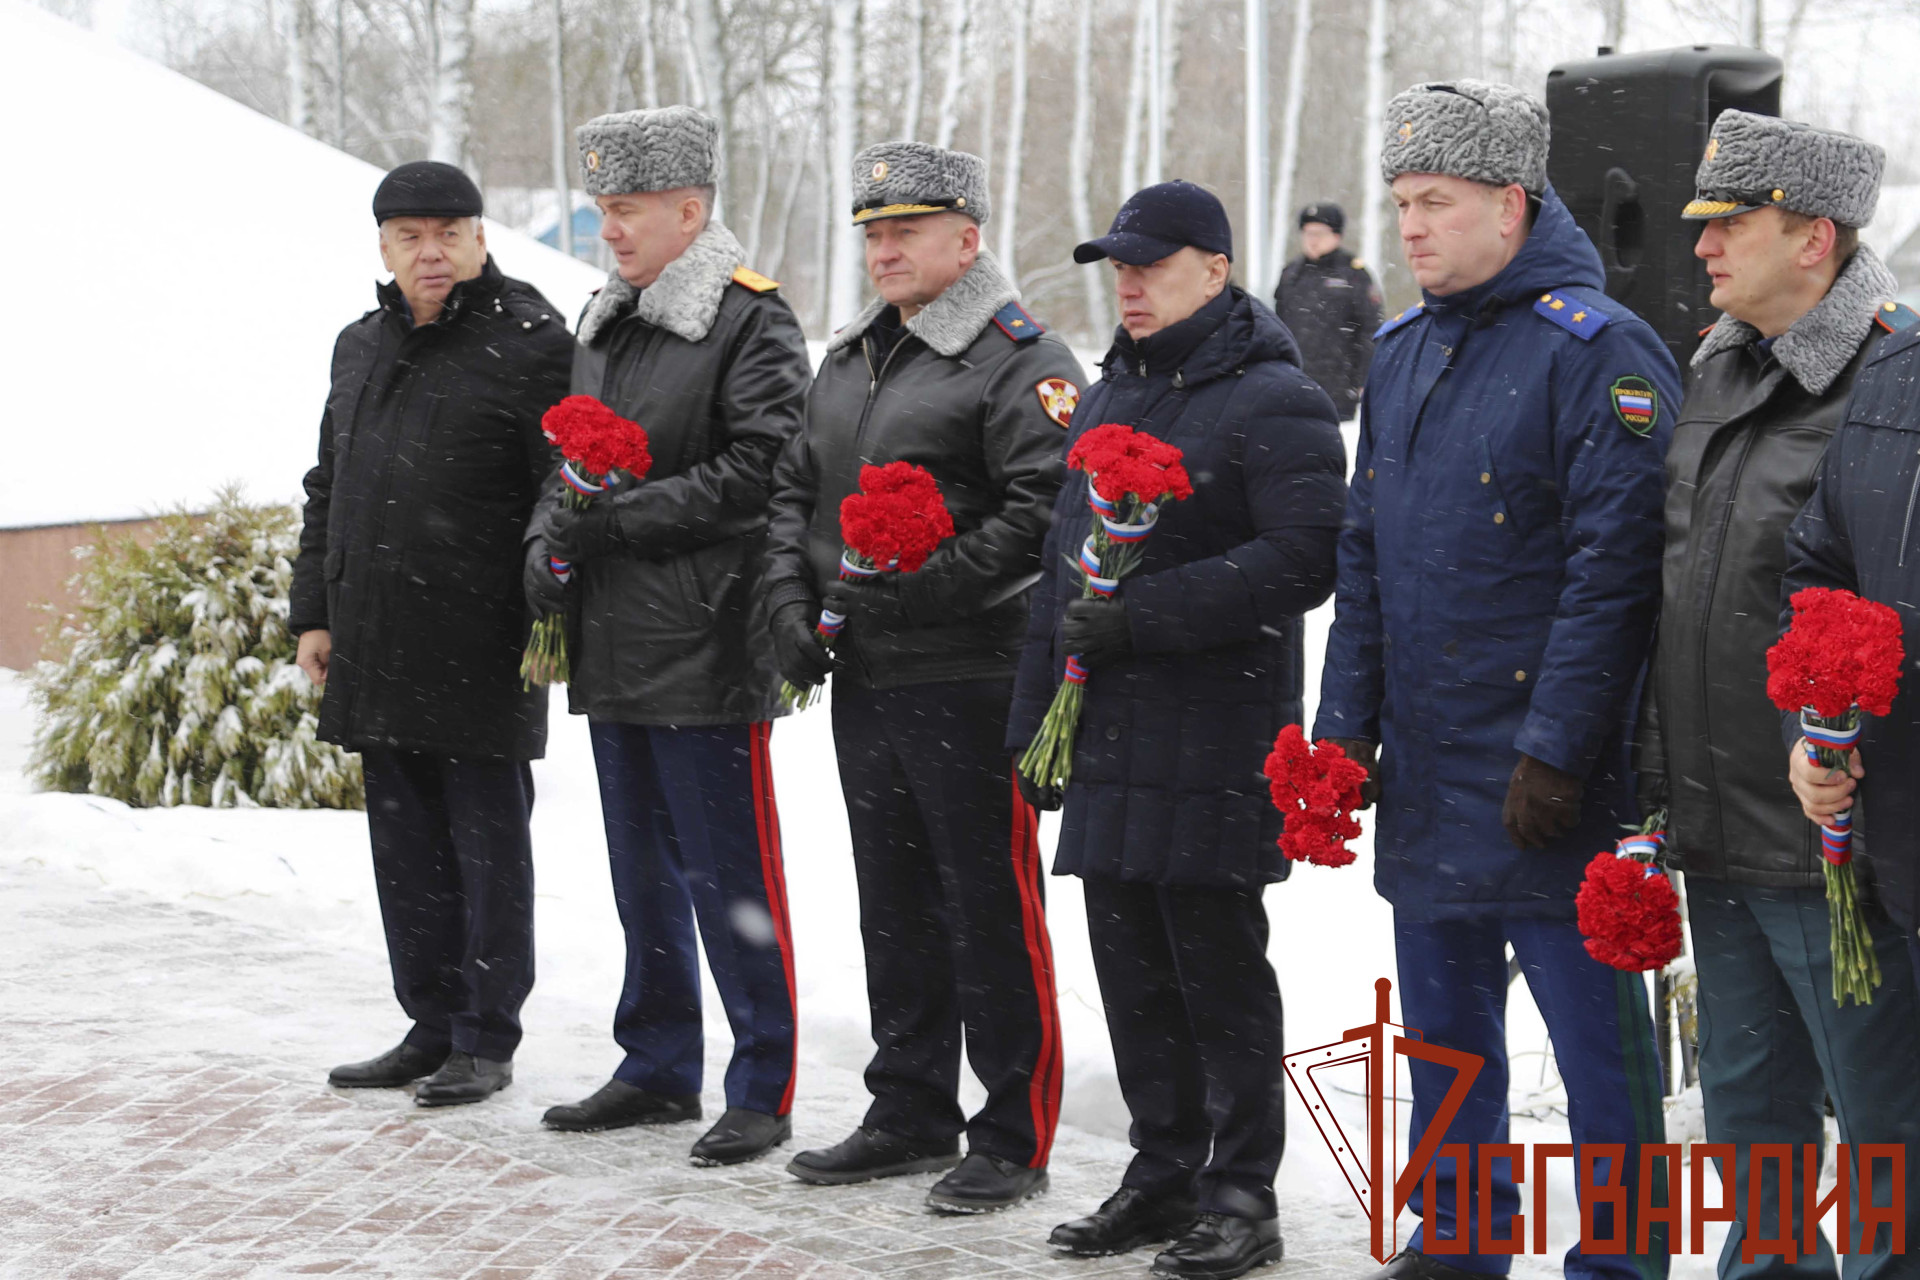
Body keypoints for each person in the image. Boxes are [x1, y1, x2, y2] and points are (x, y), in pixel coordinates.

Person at [1314, 80, 1681, 1280]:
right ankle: (1462, 1235)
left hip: (1550, 777)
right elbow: (1365, 553)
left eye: (1438, 200)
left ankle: (1621, 1258)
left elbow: (1614, 572)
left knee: (1595, 1048)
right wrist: (1341, 729)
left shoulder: (1599, 350)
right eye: (1401, 201)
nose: (1410, 226)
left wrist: (1559, 746)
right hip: (1430, 760)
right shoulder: (1405, 348)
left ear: (1512, 205)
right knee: (1446, 1034)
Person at [1010, 180, 1345, 1279]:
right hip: (1105, 729)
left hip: (1211, 733)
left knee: (1215, 969)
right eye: (1120, 265)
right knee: (1131, 965)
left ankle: (1242, 1187)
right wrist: (1033, 721)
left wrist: (1143, 616)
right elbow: (1062, 568)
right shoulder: (1113, 390)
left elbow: (1304, 558)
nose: (1130, 283)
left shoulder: (1274, 395)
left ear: (1216, 266)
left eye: (1151, 264)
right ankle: (1160, 1169)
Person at [763, 140, 1081, 1212]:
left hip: (971, 672)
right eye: (873, 232)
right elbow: (792, 492)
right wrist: (788, 607)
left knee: (988, 904)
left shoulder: (1015, 358)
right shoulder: (852, 354)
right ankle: (907, 1104)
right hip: (870, 674)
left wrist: (919, 588)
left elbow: (1043, 514)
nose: (885, 250)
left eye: (906, 230)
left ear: (968, 238)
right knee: (894, 901)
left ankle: (1011, 1127)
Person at [1640, 109, 1920, 1277]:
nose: (1701, 246)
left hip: (1832, 838)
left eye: (1732, 223)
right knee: (1749, 1129)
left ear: (1817, 239)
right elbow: (1678, 592)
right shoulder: (1718, 365)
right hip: (1716, 828)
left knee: (1880, 1142)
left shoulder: (1890, 379)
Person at [528, 106, 811, 1167]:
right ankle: (655, 1062)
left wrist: (619, 519)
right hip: (612, 639)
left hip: (703, 637)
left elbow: (765, 468)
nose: (611, 227)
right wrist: (550, 538)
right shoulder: (603, 319)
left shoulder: (750, 321)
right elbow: (568, 458)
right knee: (640, 868)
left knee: (729, 876)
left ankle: (762, 1078)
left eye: (630, 207)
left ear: (691, 211)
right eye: (603, 207)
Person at [292, 161, 571, 1106]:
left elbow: (559, 494)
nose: (431, 251)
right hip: (376, 637)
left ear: (481, 238)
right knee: (405, 851)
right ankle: (431, 1021)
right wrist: (315, 612)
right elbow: (328, 485)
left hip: (482, 646)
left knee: (488, 851)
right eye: (410, 235)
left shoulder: (533, 343)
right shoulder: (358, 345)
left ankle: (487, 1035)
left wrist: (542, 613)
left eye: (449, 232)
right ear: (383, 247)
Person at [1271, 202, 1381, 420]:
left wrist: (1364, 379)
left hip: (1339, 386)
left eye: (1320, 233)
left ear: (1336, 236)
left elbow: (1370, 330)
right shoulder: (1291, 274)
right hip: (1294, 381)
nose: (1313, 239)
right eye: (1308, 233)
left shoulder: (1354, 274)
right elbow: (1278, 328)